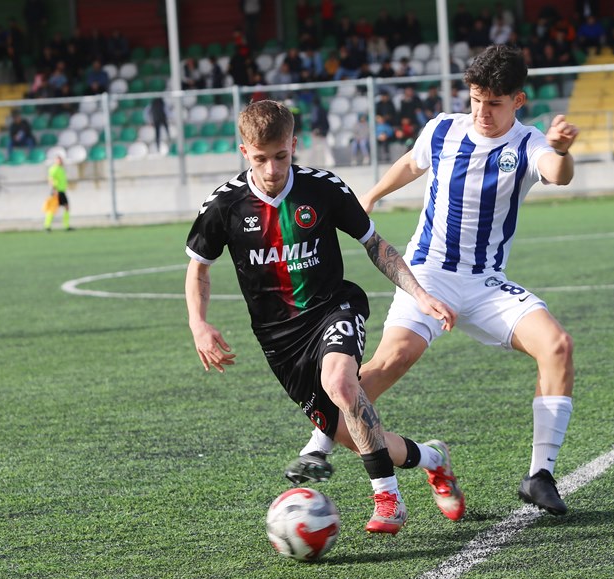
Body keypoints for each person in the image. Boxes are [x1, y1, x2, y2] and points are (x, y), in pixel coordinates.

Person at [298, 45, 579, 516]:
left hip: (488, 283)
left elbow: (558, 172)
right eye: (476, 100)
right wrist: (369, 196)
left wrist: (564, 150)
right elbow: (412, 162)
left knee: (558, 346)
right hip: (426, 273)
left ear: (518, 100)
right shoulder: (444, 129)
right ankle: (321, 444)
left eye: (494, 103)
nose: (482, 112)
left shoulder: (529, 143)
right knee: (388, 363)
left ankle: (540, 475)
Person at [184, 100, 465, 536]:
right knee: (358, 437)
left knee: (340, 382)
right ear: (245, 153)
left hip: (334, 307)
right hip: (280, 342)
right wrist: (198, 324)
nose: (273, 169)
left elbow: (376, 245)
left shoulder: (323, 188)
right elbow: (199, 268)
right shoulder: (225, 206)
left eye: (281, 156)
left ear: (294, 145)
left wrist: (420, 294)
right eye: (261, 159)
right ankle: (434, 459)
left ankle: (388, 500)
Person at [45, 155, 70, 231]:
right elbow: (50, 179)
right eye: (58, 160)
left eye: (60, 160)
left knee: (66, 207)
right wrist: (54, 189)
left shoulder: (61, 169)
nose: (60, 161)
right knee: (52, 208)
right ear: (55, 161)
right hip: (56, 191)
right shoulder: (53, 169)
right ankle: (47, 226)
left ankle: (66, 226)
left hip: (62, 191)